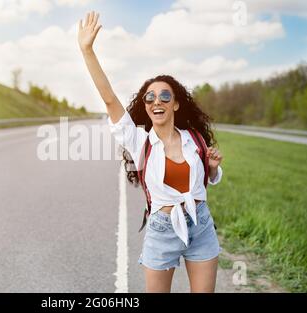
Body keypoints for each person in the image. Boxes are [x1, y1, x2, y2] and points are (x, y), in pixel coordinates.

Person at [78, 11, 224, 293]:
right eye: (150, 97)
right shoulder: (139, 141)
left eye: (165, 96)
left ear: (176, 104)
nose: (157, 101)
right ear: (145, 106)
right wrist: (87, 51)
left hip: (201, 225)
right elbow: (109, 98)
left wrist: (214, 167)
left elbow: (209, 177)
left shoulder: (194, 139)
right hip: (162, 229)